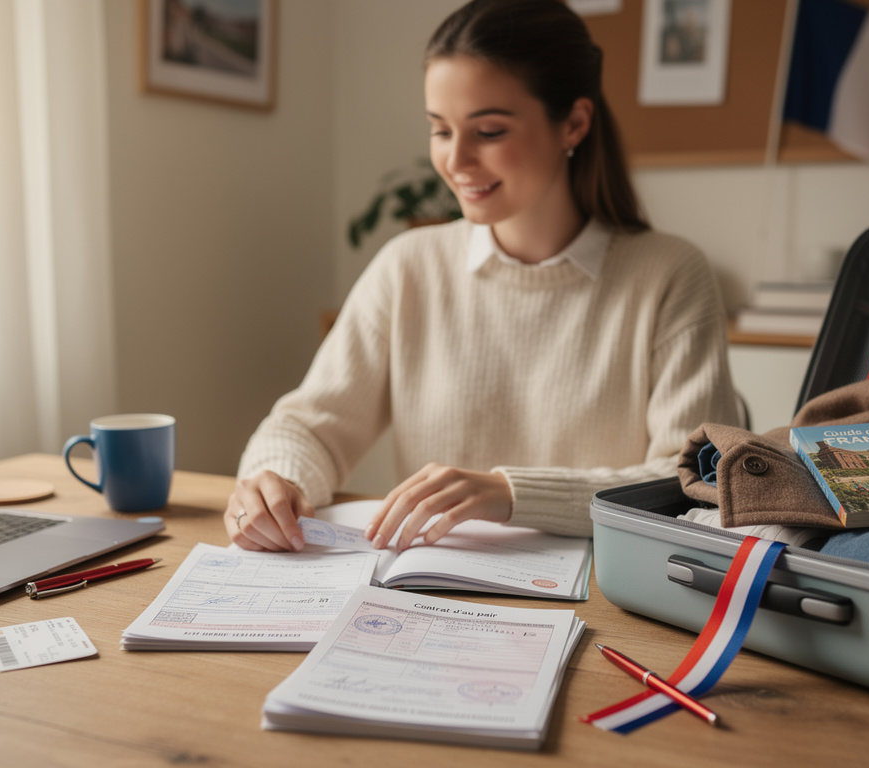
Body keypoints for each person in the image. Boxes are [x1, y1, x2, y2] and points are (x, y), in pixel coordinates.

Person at [227, 0, 740, 553]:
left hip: (605, 595)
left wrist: (510, 493)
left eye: (488, 131)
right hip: (431, 590)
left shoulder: (669, 274)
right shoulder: (409, 267)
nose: (456, 160)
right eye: (440, 130)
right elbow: (312, 425)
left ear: (574, 122)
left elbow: (693, 481)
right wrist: (275, 480)